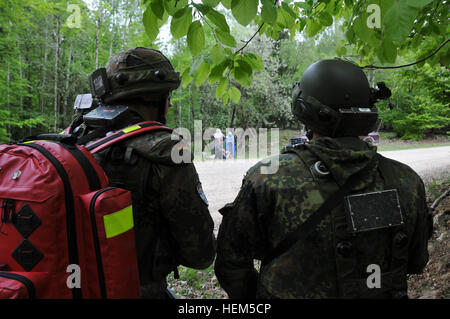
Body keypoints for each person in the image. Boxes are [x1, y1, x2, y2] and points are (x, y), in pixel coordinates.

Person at [214, 59, 432, 299]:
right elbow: (416, 262)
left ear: (304, 109)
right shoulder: (406, 180)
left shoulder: (268, 177)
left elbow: (231, 265)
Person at [70, 47, 216, 298]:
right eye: (167, 96)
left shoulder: (74, 140)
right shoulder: (165, 151)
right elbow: (200, 254)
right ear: (155, 99)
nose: (169, 104)